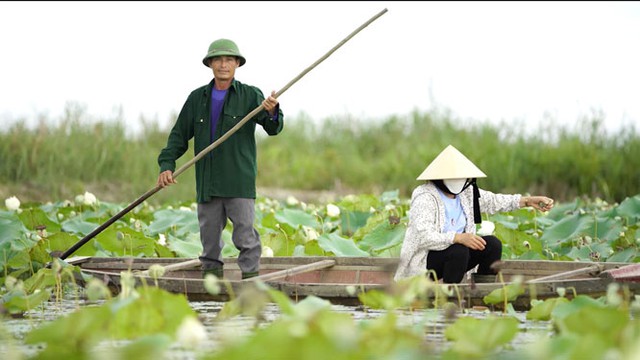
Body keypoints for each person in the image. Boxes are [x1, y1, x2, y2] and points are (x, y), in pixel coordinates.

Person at [157, 38, 284, 280]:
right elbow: (178, 137)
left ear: (237, 64)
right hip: (208, 182)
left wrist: (271, 111)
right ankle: (210, 290)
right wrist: (166, 165)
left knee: (245, 237)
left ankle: (250, 285)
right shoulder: (197, 99)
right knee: (209, 242)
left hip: (238, 181)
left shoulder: (250, 95)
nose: (223, 65)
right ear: (210, 64)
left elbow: (273, 128)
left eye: (228, 60)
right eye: (218, 59)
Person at [394, 144, 554, 283]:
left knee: (492, 245)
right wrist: (457, 238)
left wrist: (527, 201)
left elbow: (494, 201)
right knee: (459, 250)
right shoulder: (425, 196)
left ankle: (481, 291)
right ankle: (449, 295)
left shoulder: (467, 194)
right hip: (426, 262)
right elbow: (423, 237)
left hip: (457, 257)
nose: (458, 180)